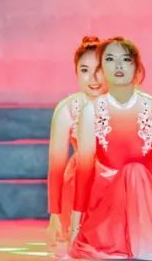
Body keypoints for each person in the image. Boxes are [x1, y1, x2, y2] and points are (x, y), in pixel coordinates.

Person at [69, 37, 152, 258]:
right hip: (107, 200)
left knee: (135, 170)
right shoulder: (91, 111)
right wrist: (75, 224)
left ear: (137, 67)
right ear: (101, 69)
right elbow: (85, 169)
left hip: (147, 196)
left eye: (125, 59)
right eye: (110, 59)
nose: (118, 65)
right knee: (130, 171)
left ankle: (146, 241)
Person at [45, 36, 106, 253]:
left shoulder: (124, 102)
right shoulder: (68, 108)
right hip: (82, 180)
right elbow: (56, 166)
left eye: (99, 70)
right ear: (76, 73)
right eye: (85, 70)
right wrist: (54, 214)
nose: (93, 78)